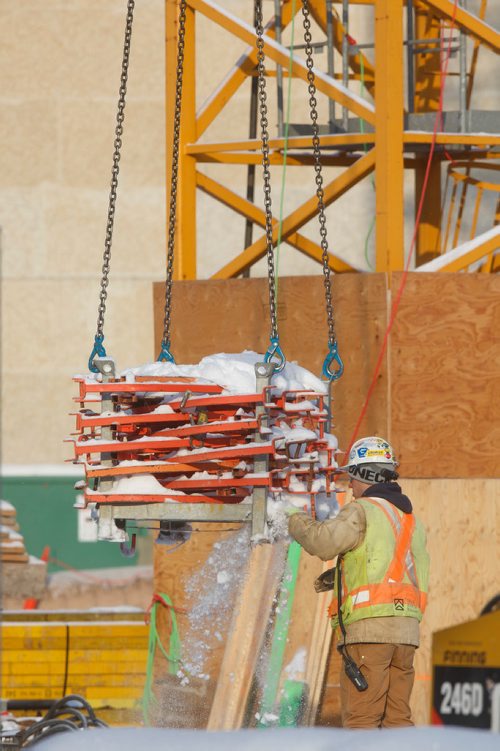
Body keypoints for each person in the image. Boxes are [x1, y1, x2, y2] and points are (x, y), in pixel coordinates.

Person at [287, 436, 429, 729]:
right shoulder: (409, 518)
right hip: (405, 635)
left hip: (370, 632)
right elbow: (384, 565)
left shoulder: (362, 510)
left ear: (365, 475)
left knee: (362, 721)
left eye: (352, 476)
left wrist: (290, 516)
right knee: (397, 721)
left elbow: (324, 542)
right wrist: (342, 575)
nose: (350, 485)